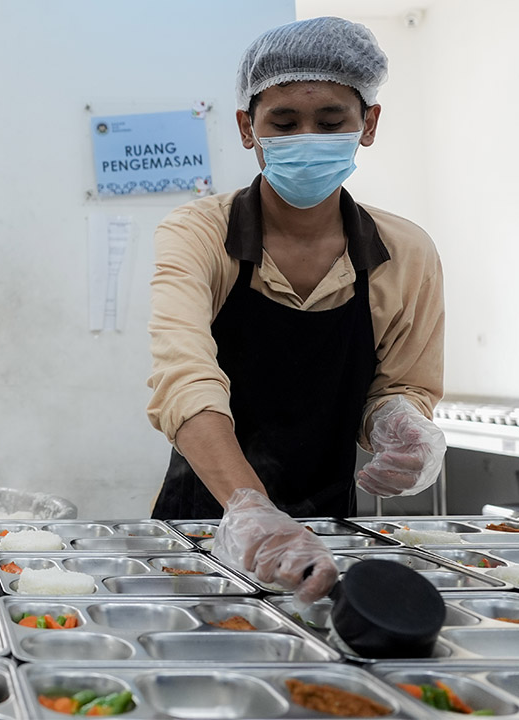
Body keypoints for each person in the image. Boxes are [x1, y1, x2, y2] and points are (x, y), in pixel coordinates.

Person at [146, 17, 446, 604]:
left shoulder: (406, 253)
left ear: (369, 124)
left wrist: (402, 424)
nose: (307, 135)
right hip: (202, 525)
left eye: (331, 121)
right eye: (283, 122)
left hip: (332, 534)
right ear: (246, 128)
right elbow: (184, 379)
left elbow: (403, 383)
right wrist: (250, 508)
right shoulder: (199, 234)